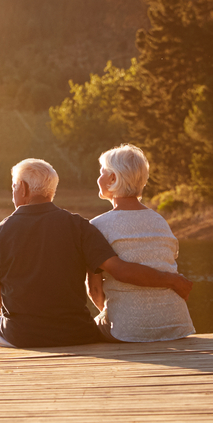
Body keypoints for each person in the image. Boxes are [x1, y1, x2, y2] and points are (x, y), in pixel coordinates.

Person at [0, 157, 192, 348]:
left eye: (13, 186)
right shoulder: (80, 226)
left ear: (22, 188)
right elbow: (116, 270)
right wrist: (172, 280)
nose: (13, 192)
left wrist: (27, 324)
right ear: (51, 191)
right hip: (76, 334)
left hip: (21, 336)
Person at [87, 144, 195, 342]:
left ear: (113, 178)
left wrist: (115, 316)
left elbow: (94, 291)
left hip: (128, 331)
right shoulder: (160, 221)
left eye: (102, 172)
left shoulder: (97, 226)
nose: (98, 178)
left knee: (89, 328)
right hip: (176, 326)